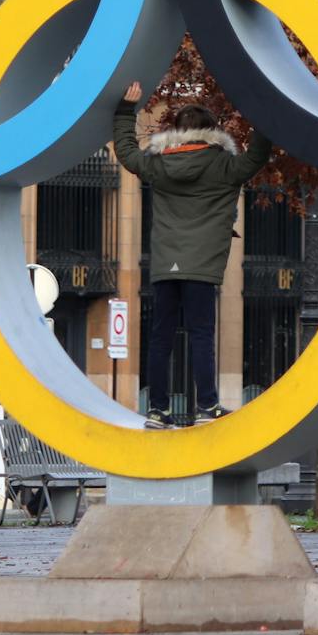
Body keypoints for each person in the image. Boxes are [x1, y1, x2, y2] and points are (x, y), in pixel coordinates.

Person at [114, 81, 272, 427]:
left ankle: (157, 409)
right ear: (211, 132)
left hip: (165, 265)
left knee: (161, 336)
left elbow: (126, 153)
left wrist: (126, 112)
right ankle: (207, 406)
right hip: (203, 266)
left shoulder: (158, 165)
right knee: (201, 334)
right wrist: (264, 112)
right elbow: (257, 156)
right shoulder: (224, 166)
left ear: (177, 132)